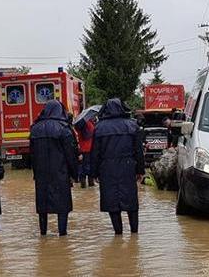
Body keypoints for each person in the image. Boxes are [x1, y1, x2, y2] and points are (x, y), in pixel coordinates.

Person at [90, 98, 145, 235]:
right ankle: (134, 233)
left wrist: (94, 172)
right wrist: (140, 170)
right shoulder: (132, 125)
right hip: (128, 167)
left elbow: (95, 153)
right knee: (131, 200)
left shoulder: (99, 128)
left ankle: (118, 232)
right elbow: (139, 151)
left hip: (107, 168)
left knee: (112, 201)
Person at [30, 100, 79, 236]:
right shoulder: (64, 129)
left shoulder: (35, 129)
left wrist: (35, 173)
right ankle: (62, 234)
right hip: (60, 172)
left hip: (42, 174)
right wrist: (75, 174)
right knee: (62, 206)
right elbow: (71, 154)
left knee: (42, 205)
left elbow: (32, 155)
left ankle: (43, 233)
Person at [75, 115, 97, 188]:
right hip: (88, 149)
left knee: (83, 167)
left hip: (83, 149)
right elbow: (87, 135)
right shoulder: (86, 123)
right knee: (89, 166)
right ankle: (90, 183)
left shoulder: (79, 124)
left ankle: (84, 184)